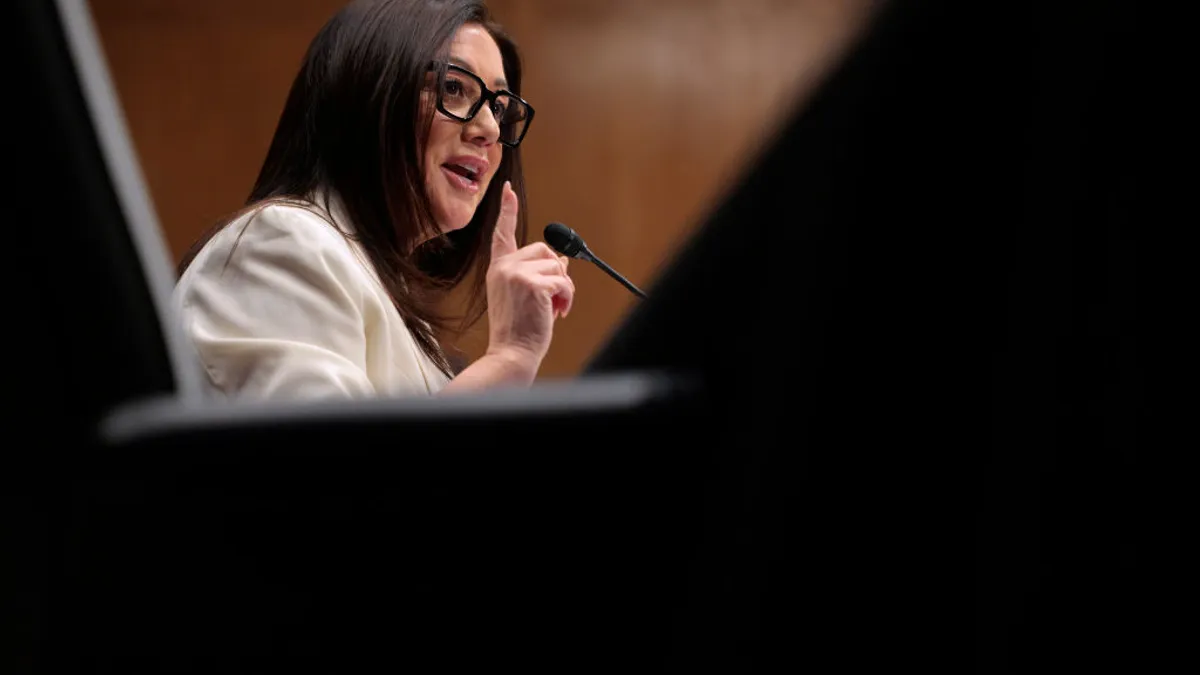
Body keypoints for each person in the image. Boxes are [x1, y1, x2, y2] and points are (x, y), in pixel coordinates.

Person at [173, 0, 574, 401]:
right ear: (368, 93)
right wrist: (507, 358)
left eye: (500, 109)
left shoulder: (405, 318)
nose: (488, 127)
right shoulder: (282, 243)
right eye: (453, 88)